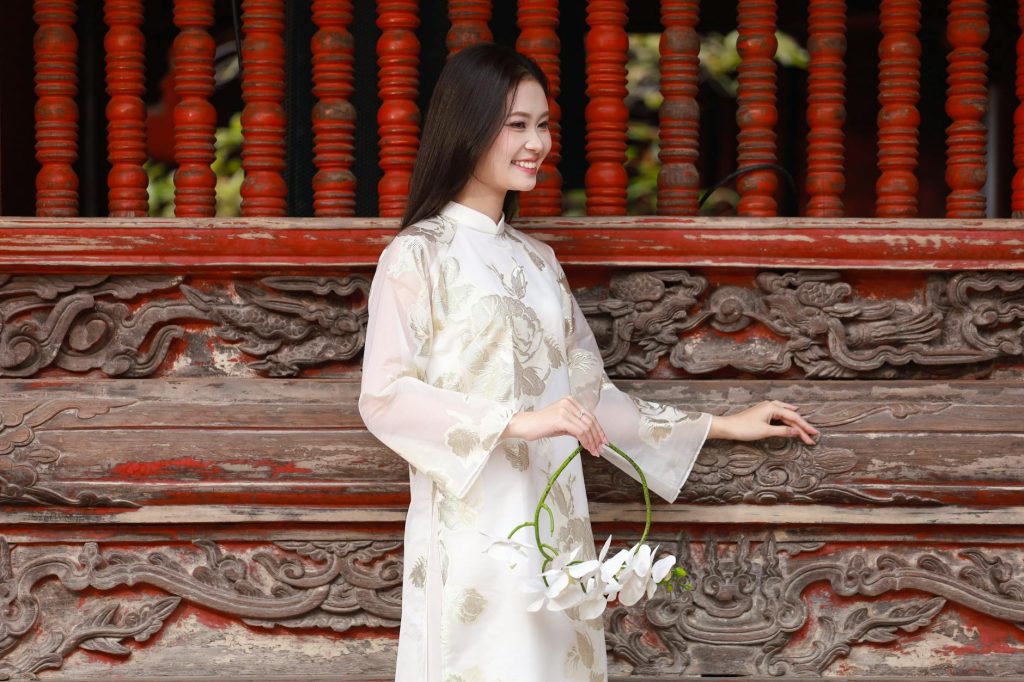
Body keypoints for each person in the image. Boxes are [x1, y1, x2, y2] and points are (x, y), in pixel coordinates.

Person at [358, 42, 818, 682]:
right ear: (467, 127)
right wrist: (517, 422)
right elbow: (384, 396)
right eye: (516, 124)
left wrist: (722, 425)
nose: (537, 143)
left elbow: (590, 400)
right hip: (474, 529)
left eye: (542, 125)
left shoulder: (540, 262)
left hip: (558, 530)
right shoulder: (418, 255)